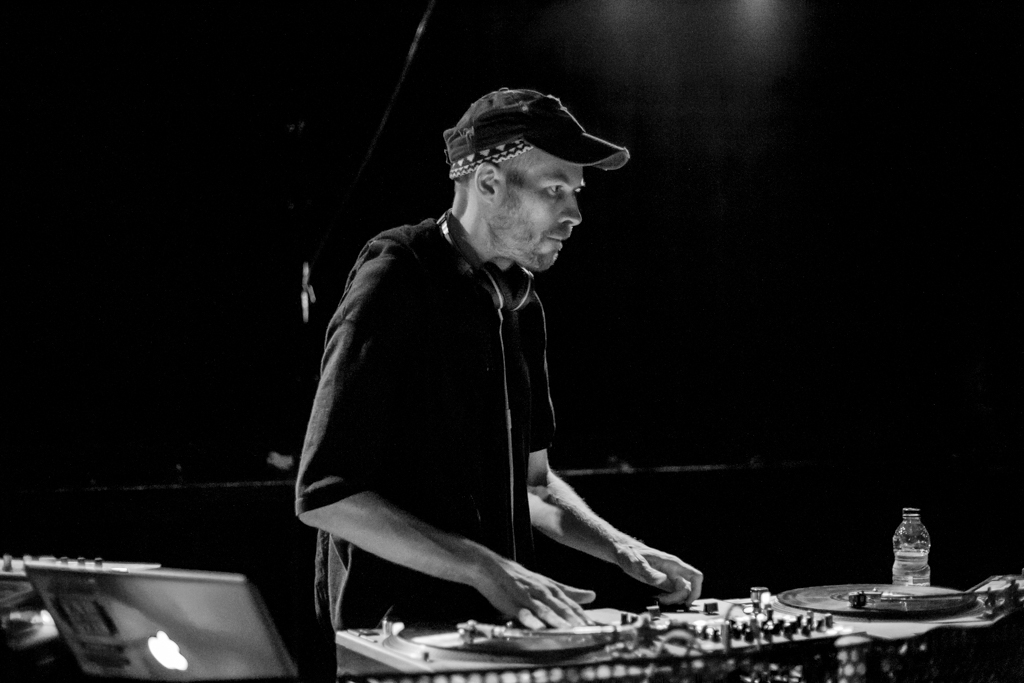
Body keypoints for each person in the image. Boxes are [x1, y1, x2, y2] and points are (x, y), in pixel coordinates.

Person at [295, 88, 702, 636]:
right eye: (555, 190)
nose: (574, 214)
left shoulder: (519, 303)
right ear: (488, 183)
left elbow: (533, 486)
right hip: (397, 641)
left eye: (575, 192)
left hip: (496, 634)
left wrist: (624, 550)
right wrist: (487, 568)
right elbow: (327, 497)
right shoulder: (396, 279)